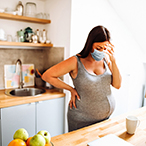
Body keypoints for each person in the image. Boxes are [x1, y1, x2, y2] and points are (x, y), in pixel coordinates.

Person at [40, 25, 122, 132]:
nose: (101, 51)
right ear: (90, 44)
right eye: (98, 48)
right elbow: (47, 75)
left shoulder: (106, 59)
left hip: (104, 121)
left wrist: (114, 62)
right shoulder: (76, 61)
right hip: (82, 122)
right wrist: (70, 89)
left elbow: (117, 85)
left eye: (104, 48)